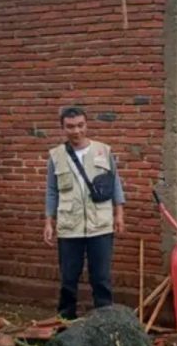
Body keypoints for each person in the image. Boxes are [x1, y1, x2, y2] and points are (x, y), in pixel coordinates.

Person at [43, 106, 125, 319]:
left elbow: (115, 183)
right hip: (70, 227)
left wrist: (119, 214)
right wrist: (48, 221)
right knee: (68, 278)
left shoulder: (103, 150)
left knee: (101, 278)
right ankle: (65, 321)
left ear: (86, 125)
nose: (76, 131)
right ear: (63, 128)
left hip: (101, 225)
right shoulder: (56, 156)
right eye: (70, 127)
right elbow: (52, 191)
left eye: (80, 125)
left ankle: (105, 322)